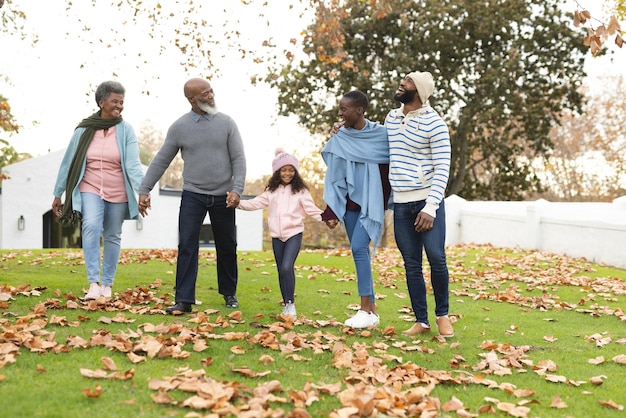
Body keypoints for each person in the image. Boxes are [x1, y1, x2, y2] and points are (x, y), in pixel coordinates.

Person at [138, 77, 246, 314]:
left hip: (223, 195)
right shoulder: (179, 127)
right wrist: (144, 189)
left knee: (227, 245)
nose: (211, 96)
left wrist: (237, 189)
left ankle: (229, 293)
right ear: (192, 99)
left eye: (211, 91)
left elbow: (238, 159)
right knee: (187, 245)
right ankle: (184, 299)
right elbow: (161, 160)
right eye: (205, 94)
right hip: (193, 195)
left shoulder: (227, 123)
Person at [52, 80, 144, 300]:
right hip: (90, 186)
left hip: (118, 189)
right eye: (115, 101)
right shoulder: (84, 129)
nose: (119, 106)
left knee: (112, 235)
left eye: (122, 102)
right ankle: (93, 283)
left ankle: (107, 285)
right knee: (91, 226)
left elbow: (133, 165)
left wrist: (143, 192)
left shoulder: (125, 130)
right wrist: (58, 193)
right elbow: (68, 163)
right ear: (102, 102)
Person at [385, 71, 454, 338]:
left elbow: (442, 167)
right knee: (411, 263)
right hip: (401, 204)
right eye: (403, 80)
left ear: (420, 91)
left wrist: (431, 206)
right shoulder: (391, 118)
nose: (402, 83)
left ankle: (443, 316)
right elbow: (375, 142)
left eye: (409, 82)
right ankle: (421, 320)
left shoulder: (435, 124)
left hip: (427, 202)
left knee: (436, 258)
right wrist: (343, 129)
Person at [321, 90, 390, 329]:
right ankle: (371, 311)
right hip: (349, 205)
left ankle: (364, 310)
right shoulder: (341, 137)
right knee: (358, 253)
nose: (340, 113)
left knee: (359, 249)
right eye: (339, 109)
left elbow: (391, 168)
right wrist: (331, 211)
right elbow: (334, 174)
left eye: (344, 109)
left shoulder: (382, 135)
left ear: (359, 110)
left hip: (372, 203)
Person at [237, 149, 323, 317]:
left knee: (286, 267)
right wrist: (238, 204)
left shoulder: (301, 191)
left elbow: (312, 210)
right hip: (277, 236)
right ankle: (286, 304)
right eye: (284, 170)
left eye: (291, 170)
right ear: (277, 172)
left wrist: (328, 218)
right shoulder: (271, 190)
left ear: (296, 172)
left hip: (294, 233)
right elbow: (256, 203)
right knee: (281, 271)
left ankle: (291, 305)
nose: (287, 173)